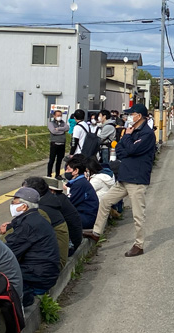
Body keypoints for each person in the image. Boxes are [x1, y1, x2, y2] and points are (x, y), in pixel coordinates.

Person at [90, 103, 158, 257]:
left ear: (139, 116)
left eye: (131, 114)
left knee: (138, 214)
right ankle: (96, 232)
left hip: (137, 179)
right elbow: (120, 150)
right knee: (105, 201)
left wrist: (127, 138)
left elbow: (132, 149)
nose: (128, 117)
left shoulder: (146, 134)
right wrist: (127, 144)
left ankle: (139, 245)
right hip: (124, 177)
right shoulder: (132, 131)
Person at [0, 187, 60, 303]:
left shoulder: (28, 225)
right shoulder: (35, 218)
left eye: (14, 202)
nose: (11, 205)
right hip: (45, 274)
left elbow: (8, 252)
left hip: (37, 280)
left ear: (24, 206)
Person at [63, 156, 99, 229]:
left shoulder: (79, 184)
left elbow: (69, 202)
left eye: (68, 169)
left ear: (76, 171)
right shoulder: (80, 181)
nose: (66, 172)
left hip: (86, 218)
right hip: (85, 215)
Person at [46, 109, 68, 178]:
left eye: (60, 115)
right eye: (58, 115)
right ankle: (49, 174)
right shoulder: (51, 123)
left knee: (59, 160)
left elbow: (67, 128)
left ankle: (57, 174)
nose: (59, 117)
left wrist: (58, 129)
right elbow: (53, 131)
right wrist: (62, 130)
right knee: (52, 160)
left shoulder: (63, 122)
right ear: (54, 116)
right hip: (54, 143)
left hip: (62, 144)